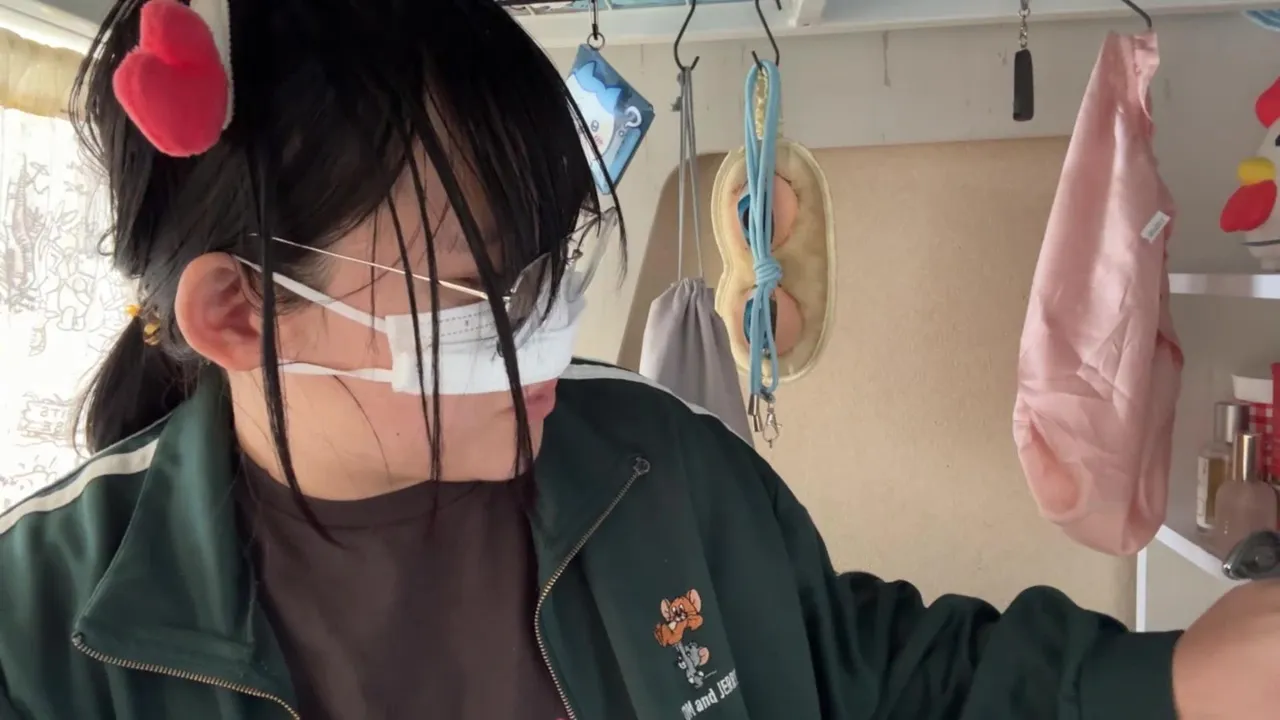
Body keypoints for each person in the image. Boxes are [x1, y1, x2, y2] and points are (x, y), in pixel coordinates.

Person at [0, 0, 1277, 718]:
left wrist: (1168, 679)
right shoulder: (42, 634)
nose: (552, 324)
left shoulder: (651, 461)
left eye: (554, 264)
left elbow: (869, 675)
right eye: (485, 288)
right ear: (238, 313)